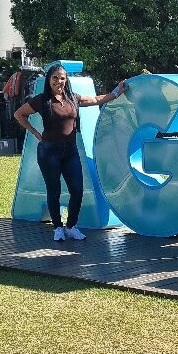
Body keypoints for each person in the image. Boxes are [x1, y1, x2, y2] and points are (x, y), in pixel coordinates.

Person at [14, 63, 127, 242]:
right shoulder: (42, 100)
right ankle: (58, 228)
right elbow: (19, 114)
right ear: (49, 80)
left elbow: (97, 99)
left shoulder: (73, 98)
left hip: (70, 152)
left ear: (66, 81)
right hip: (49, 152)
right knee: (54, 190)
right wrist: (34, 132)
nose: (59, 81)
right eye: (55, 78)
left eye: (62, 78)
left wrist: (116, 92)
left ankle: (71, 226)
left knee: (77, 189)